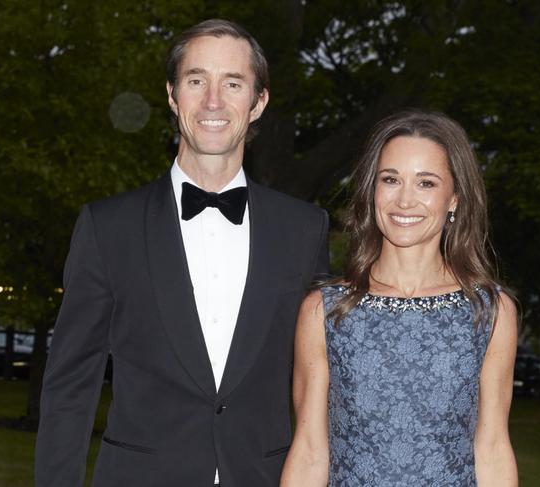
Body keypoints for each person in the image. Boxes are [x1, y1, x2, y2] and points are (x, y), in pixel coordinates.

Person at [35, 19, 329, 487]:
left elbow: (318, 383)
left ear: (259, 102)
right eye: (197, 81)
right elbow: (70, 385)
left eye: (232, 83)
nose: (213, 101)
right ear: (173, 96)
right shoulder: (108, 226)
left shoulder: (305, 229)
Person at [281, 110, 518, 486]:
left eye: (426, 183)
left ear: (454, 198)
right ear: (372, 190)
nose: (404, 200)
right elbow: (310, 449)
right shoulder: (325, 310)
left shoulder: (489, 311)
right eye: (390, 179)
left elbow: (491, 448)